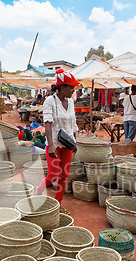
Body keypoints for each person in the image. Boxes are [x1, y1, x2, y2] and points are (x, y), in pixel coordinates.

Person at [35, 68, 80, 212]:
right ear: (62, 87)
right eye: (71, 87)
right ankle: (38, 190)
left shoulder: (71, 102)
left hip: (67, 143)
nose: (73, 89)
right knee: (53, 174)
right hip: (54, 142)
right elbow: (47, 123)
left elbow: (73, 123)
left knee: (64, 175)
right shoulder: (50, 101)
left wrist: (74, 142)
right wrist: (52, 145)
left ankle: (58, 203)